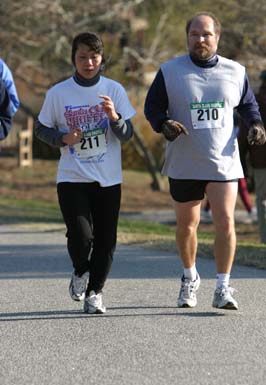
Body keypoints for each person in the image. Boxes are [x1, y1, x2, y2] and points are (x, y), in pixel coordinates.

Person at [144, 12, 266, 310]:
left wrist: (257, 125)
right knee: (188, 225)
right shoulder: (170, 71)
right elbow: (152, 107)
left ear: (217, 37)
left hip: (222, 160)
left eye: (206, 34)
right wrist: (163, 124)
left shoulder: (235, 71)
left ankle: (223, 287)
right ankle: (189, 277)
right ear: (187, 37)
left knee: (225, 221)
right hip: (184, 161)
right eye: (195, 34)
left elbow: (249, 106)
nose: (200, 39)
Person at [35, 32, 136, 314]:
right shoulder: (58, 93)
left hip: (108, 178)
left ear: (102, 58)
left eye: (94, 56)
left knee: (106, 239)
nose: (89, 62)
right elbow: (41, 129)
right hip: (72, 177)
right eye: (82, 57)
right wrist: (63, 139)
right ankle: (81, 270)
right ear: (73, 59)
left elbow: (127, 135)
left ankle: (95, 293)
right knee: (80, 236)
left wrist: (114, 118)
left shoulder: (114, 90)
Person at [238, 70, 266, 242]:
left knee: (262, 200)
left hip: (260, 160)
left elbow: (243, 136)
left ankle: (264, 238)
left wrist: (242, 166)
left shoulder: (253, 103)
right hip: (260, 159)